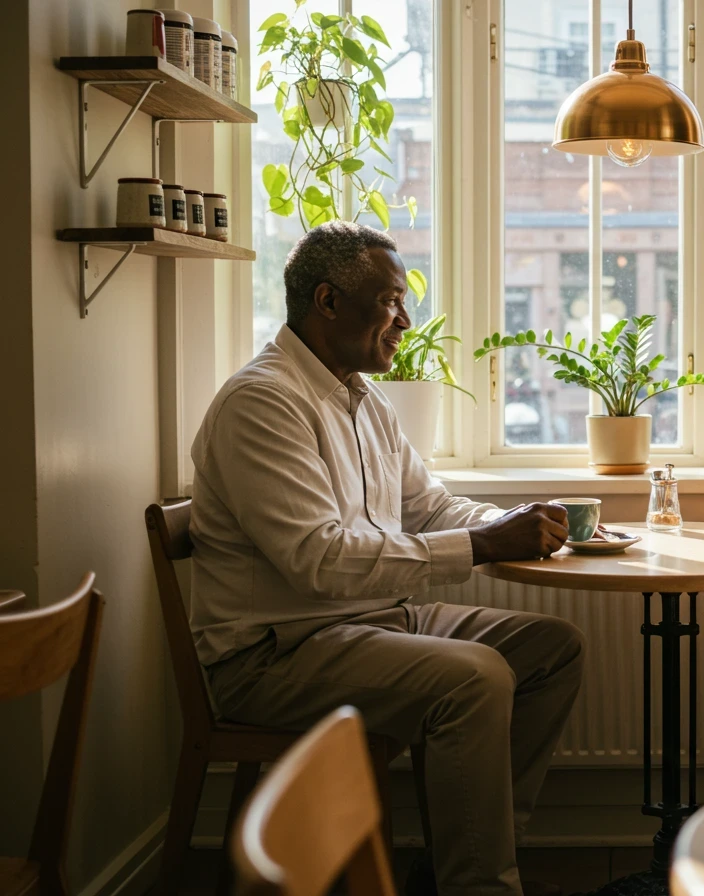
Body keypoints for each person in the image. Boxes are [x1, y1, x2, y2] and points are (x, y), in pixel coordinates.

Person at [189, 221, 583, 896]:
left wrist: (513, 525)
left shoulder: (363, 399)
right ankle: (481, 885)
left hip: (371, 622)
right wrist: (487, 545)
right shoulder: (262, 403)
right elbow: (319, 561)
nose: (405, 320)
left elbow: (427, 507)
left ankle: (463, 862)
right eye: (391, 300)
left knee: (551, 648)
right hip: (275, 653)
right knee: (476, 678)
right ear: (328, 301)